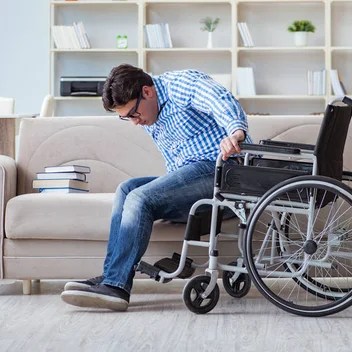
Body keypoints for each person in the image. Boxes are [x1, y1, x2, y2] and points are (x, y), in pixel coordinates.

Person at [60, 64, 253, 311]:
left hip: (222, 173)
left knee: (140, 197)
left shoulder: (180, 86)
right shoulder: (149, 112)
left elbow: (219, 100)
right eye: (126, 117)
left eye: (132, 114)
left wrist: (235, 134)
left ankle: (116, 286)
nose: (134, 123)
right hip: (192, 179)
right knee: (127, 189)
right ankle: (112, 278)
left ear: (148, 92)